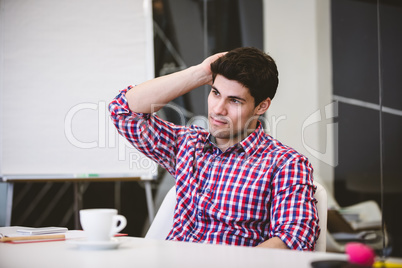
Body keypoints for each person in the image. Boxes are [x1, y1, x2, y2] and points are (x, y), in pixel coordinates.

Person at [109, 47, 320, 251]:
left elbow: (295, 238)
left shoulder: (285, 163)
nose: (218, 109)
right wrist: (200, 73)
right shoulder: (188, 145)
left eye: (234, 100)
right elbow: (123, 111)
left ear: (261, 106)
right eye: (215, 93)